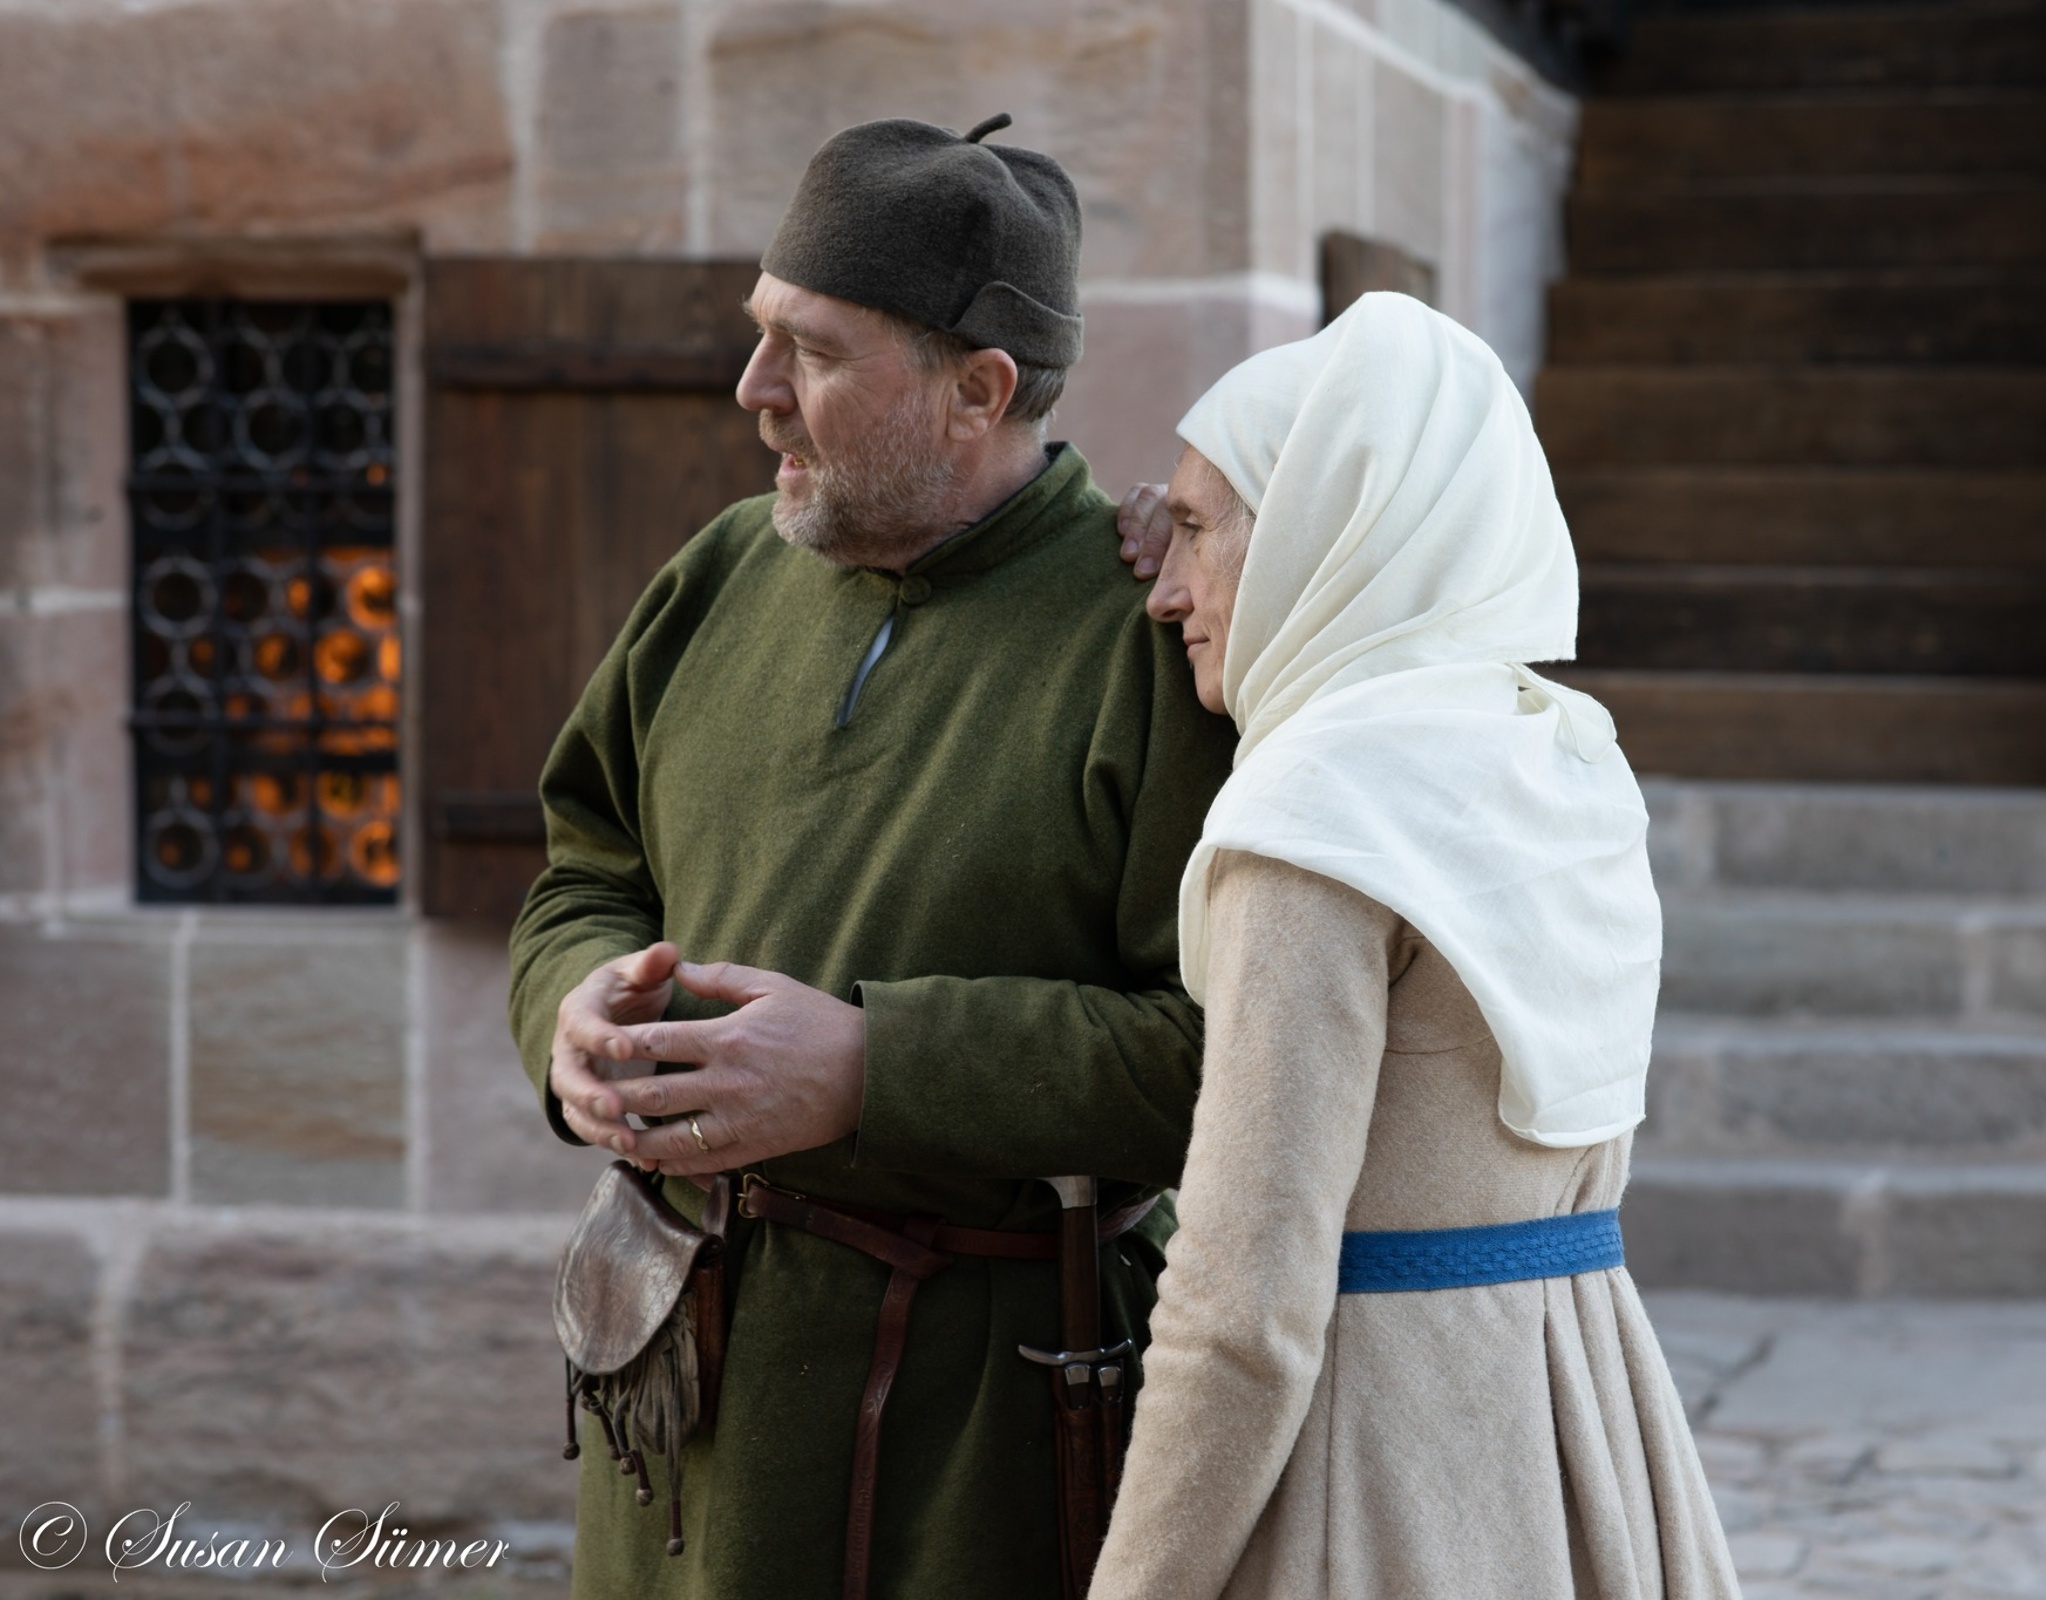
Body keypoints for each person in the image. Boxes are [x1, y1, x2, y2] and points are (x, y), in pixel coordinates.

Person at [509, 114, 1236, 1600]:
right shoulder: (719, 572)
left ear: (978, 390)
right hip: (675, 1384)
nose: (754, 390)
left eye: (816, 353)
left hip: (974, 1439)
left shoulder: (1160, 641)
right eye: (760, 332)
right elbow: (584, 866)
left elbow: (1230, 1055)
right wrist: (570, 1010)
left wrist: (874, 1067)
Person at [1089, 293, 1743, 1599]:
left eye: (1201, 530)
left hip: (1378, 1464)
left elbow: (1242, 1309)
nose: (1166, 592)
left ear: (1320, 533)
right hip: (1580, 1417)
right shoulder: (1557, 756)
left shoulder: (1318, 819)